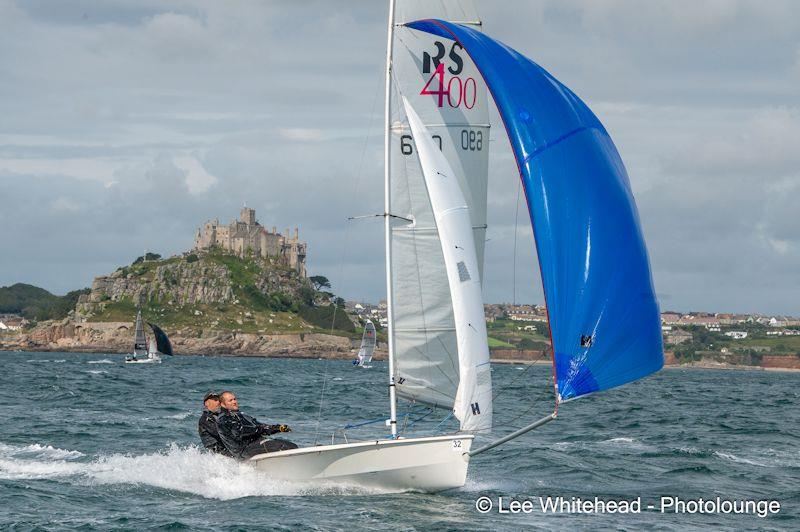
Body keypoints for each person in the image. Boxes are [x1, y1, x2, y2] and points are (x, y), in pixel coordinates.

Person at [216, 391, 298, 461]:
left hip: (256, 444)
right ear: (223, 404)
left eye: (234, 399)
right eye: (230, 400)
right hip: (244, 450)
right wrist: (260, 428)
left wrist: (278, 428)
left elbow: (259, 426)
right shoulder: (224, 418)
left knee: (292, 446)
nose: (234, 402)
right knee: (283, 447)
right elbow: (241, 431)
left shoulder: (241, 415)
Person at [198, 392, 230, 456]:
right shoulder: (205, 419)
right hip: (218, 453)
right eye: (215, 400)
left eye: (219, 400)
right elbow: (220, 433)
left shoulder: (219, 416)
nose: (218, 402)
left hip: (227, 449)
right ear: (207, 403)